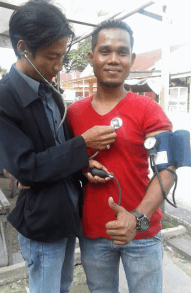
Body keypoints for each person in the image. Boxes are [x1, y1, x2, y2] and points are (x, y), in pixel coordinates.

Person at [0, 1, 116, 293]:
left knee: (63, 285)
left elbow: (60, 146)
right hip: (42, 222)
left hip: (68, 211)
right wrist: (83, 144)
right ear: (22, 48)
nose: (57, 67)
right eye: (51, 57)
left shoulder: (50, 91)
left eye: (62, 56)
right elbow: (25, 168)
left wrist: (84, 163)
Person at [67, 19, 175, 293]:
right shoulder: (73, 114)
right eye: (105, 51)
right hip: (93, 231)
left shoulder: (149, 109)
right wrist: (81, 165)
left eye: (122, 52)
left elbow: (167, 168)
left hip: (142, 231)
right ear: (91, 57)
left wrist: (138, 217)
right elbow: (63, 160)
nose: (113, 60)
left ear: (132, 59)